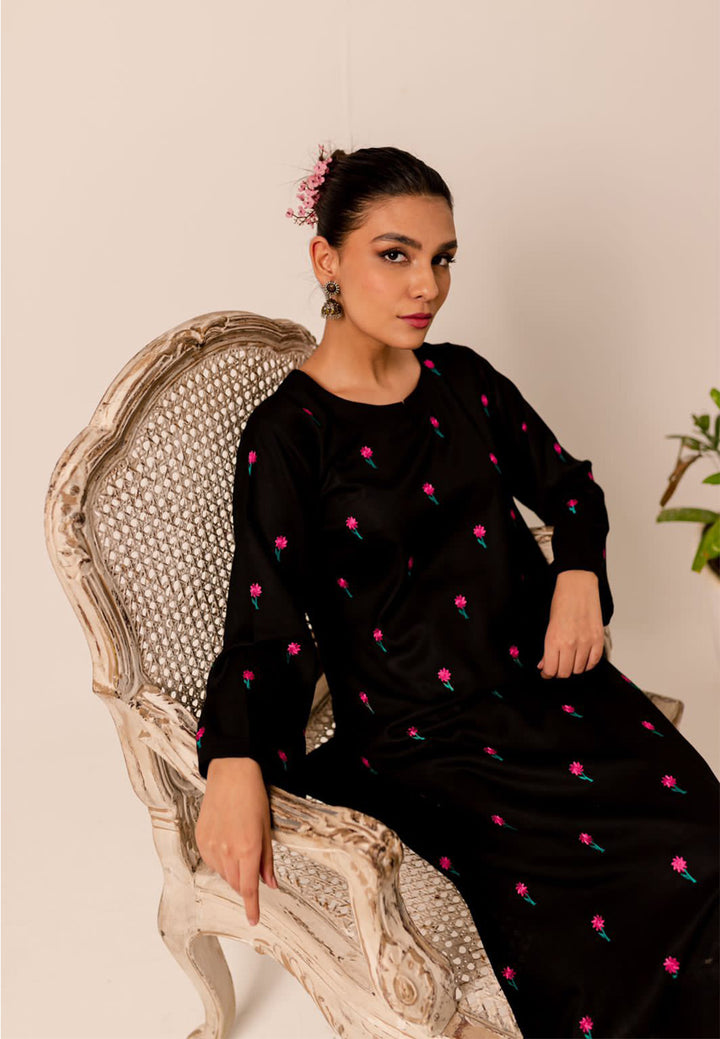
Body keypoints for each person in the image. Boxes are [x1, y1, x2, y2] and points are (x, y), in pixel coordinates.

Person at [194, 144, 719, 1038]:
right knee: (618, 919)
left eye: (441, 259)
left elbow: (570, 487)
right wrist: (231, 756)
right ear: (328, 262)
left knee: (704, 847)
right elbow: (267, 618)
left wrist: (579, 574)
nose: (425, 285)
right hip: (428, 743)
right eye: (394, 254)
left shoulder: (463, 381)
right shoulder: (289, 435)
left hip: (553, 696)